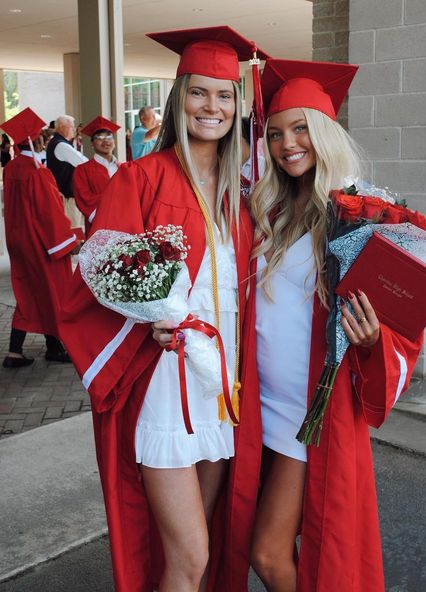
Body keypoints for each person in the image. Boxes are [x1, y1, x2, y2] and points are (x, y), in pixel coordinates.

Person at [59, 26, 269, 592]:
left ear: (237, 106)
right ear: (179, 100)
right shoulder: (141, 178)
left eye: (225, 95)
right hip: (166, 383)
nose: (213, 107)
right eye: (200, 93)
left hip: (220, 387)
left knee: (197, 551)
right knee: (191, 554)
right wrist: (147, 321)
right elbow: (98, 278)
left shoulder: (243, 193)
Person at [224, 59, 425, 592]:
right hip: (258, 404)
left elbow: (401, 321)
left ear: (326, 133)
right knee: (255, 534)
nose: (287, 143)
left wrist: (373, 338)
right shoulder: (269, 208)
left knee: (268, 553)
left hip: (308, 412)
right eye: (274, 133)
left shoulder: (362, 213)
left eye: (300, 128)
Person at [0, 108, 81, 368]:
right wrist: (67, 241)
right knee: (53, 292)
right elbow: (48, 213)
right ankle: (55, 348)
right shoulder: (37, 172)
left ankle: (15, 352)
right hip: (41, 241)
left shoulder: (12, 168)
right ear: (38, 141)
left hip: (18, 238)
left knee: (28, 293)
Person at [73, 116, 121, 237]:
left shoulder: (124, 168)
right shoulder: (82, 170)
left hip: (124, 225)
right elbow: (84, 199)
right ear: (92, 144)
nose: (105, 141)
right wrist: (114, 200)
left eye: (109, 137)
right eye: (99, 138)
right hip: (99, 227)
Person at [46, 114, 88, 228]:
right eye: (71, 126)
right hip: (68, 198)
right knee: (75, 232)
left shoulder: (60, 143)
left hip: (68, 195)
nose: (74, 129)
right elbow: (83, 162)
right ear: (62, 127)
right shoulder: (60, 145)